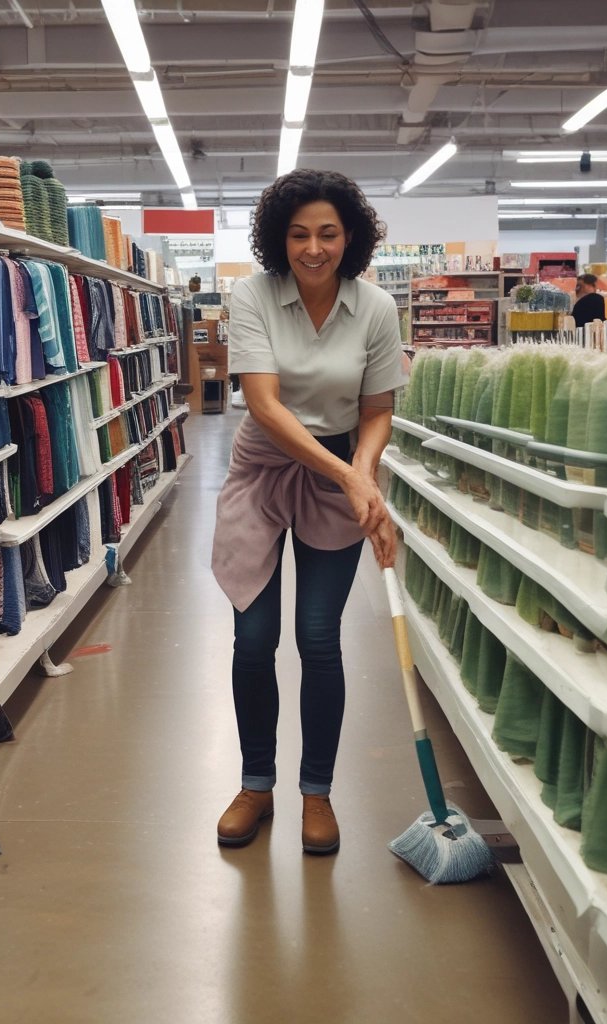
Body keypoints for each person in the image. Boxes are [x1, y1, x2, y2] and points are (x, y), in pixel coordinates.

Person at [210, 169, 407, 855]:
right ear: (278, 239)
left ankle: (316, 792)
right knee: (253, 638)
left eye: (327, 233)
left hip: (339, 474)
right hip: (264, 468)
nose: (313, 247)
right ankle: (255, 783)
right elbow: (264, 405)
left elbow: (378, 411)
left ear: (349, 236)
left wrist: (363, 472)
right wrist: (349, 477)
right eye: (299, 234)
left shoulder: (375, 309)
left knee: (319, 639)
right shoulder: (252, 296)